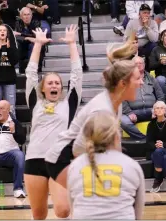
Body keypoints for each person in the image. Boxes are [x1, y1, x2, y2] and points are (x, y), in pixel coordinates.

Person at [45, 34, 143, 187]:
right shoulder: (101, 110)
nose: (141, 82)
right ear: (123, 84)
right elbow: (78, 148)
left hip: (77, 155)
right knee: (86, 202)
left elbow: (114, 145)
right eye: (137, 78)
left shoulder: (115, 103)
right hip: (61, 158)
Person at [23, 25, 83, 219]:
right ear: (43, 88)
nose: (54, 85)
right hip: (34, 160)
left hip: (60, 160)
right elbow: (31, 73)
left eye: (57, 83)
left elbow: (77, 75)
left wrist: (72, 43)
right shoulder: (35, 102)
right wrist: (38, 45)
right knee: (38, 215)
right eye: (50, 82)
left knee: (63, 210)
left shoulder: (69, 103)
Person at [66, 111, 145, 219]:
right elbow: (138, 215)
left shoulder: (75, 167)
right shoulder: (132, 166)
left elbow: (73, 211)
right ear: (117, 137)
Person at [121, 56, 164, 140]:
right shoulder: (126, 79)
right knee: (123, 121)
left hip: (151, 110)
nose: (139, 65)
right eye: (136, 63)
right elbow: (122, 98)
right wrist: (129, 112)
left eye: (141, 63)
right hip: (134, 112)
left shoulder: (151, 78)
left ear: (144, 65)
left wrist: (157, 108)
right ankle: (143, 139)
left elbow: (160, 96)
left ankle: (162, 139)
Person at [0, 100, 26, 198]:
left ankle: (18, 189)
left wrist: (14, 131)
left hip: (10, 155)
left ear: (8, 111)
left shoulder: (15, 123)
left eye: (2, 108)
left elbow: (22, 141)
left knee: (20, 155)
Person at [146, 101, 166, 193]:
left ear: (165, 110)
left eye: (161, 108)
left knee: (161, 153)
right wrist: (156, 146)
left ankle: (158, 179)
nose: (159, 110)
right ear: (154, 111)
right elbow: (149, 141)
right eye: (157, 108)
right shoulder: (151, 124)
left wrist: (163, 145)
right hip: (154, 151)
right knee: (164, 157)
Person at [0, 24, 19, 116]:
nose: (2, 32)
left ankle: (12, 128)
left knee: (11, 108)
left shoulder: (12, 46)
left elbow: (14, 62)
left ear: (7, 33)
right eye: (0, 30)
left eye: (4, 30)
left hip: (10, 81)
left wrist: (8, 49)